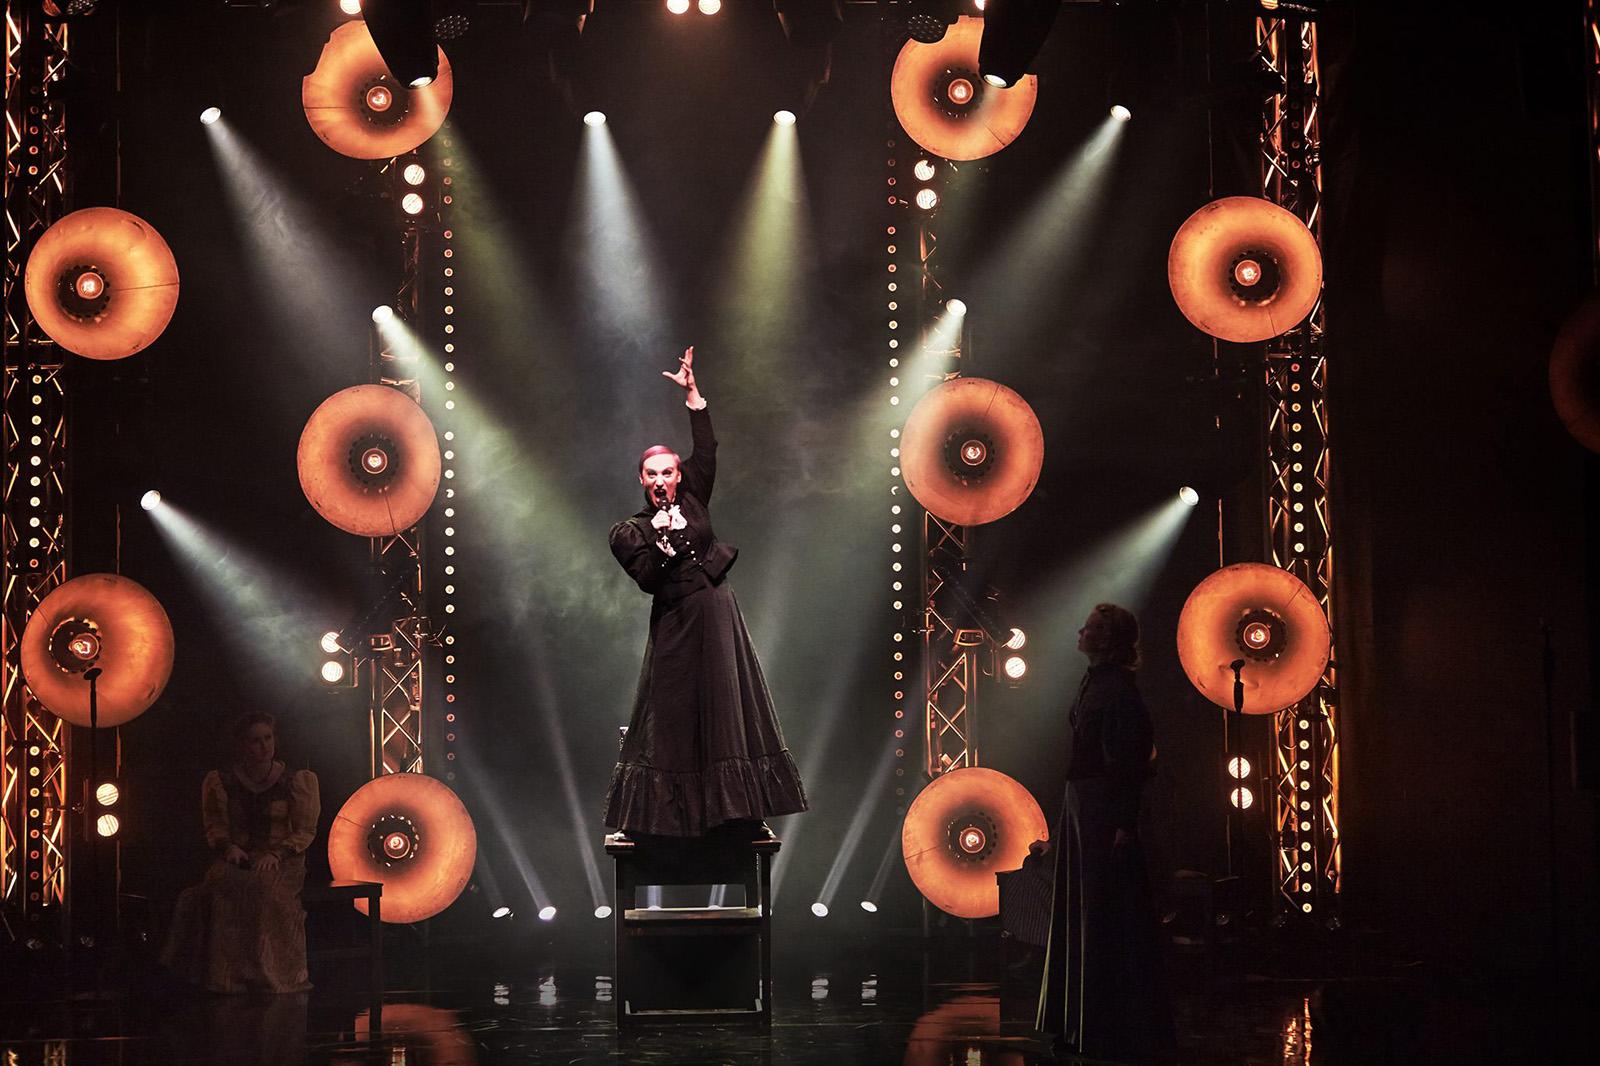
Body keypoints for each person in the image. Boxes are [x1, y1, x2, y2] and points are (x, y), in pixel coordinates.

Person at [603, 346, 809, 837]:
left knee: (726, 701)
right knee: (673, 709)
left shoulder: (693, 495)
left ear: (678, 476)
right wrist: (667, 542)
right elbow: (648, 580)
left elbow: (708, 448)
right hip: (675, 621)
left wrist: (693, 395)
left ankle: (733, 811)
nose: (661, 481)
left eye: (668, 472)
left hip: (716, 611)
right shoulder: (628, 531)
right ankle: (667, 817)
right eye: (651, 474)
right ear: (641, 480)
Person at [1036, 603, 1175, 1059]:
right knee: (1084, 911)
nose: (1082, 630)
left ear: (1109, 639)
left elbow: (1131, 762)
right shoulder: (1095, 682)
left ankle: (1107, 1023)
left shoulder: (1117, 690)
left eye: (1092, 627)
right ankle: (1083, 1021)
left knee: (1103, 914)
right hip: (1084, 804)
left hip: (1101, 807)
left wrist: (1123, 822)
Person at [162, 712, 321, 993]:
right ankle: (226, 977)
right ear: (242, 745)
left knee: (263, 890)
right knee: (216, 889)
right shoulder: (222, 781)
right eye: (255, 741)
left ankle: (269, 973)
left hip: (283, 860)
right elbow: (215, 826)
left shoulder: (296, 780)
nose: (263, 746)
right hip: (238, 858)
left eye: (268, 739)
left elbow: (304, 830)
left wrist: (278, 853)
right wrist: (229, 847)